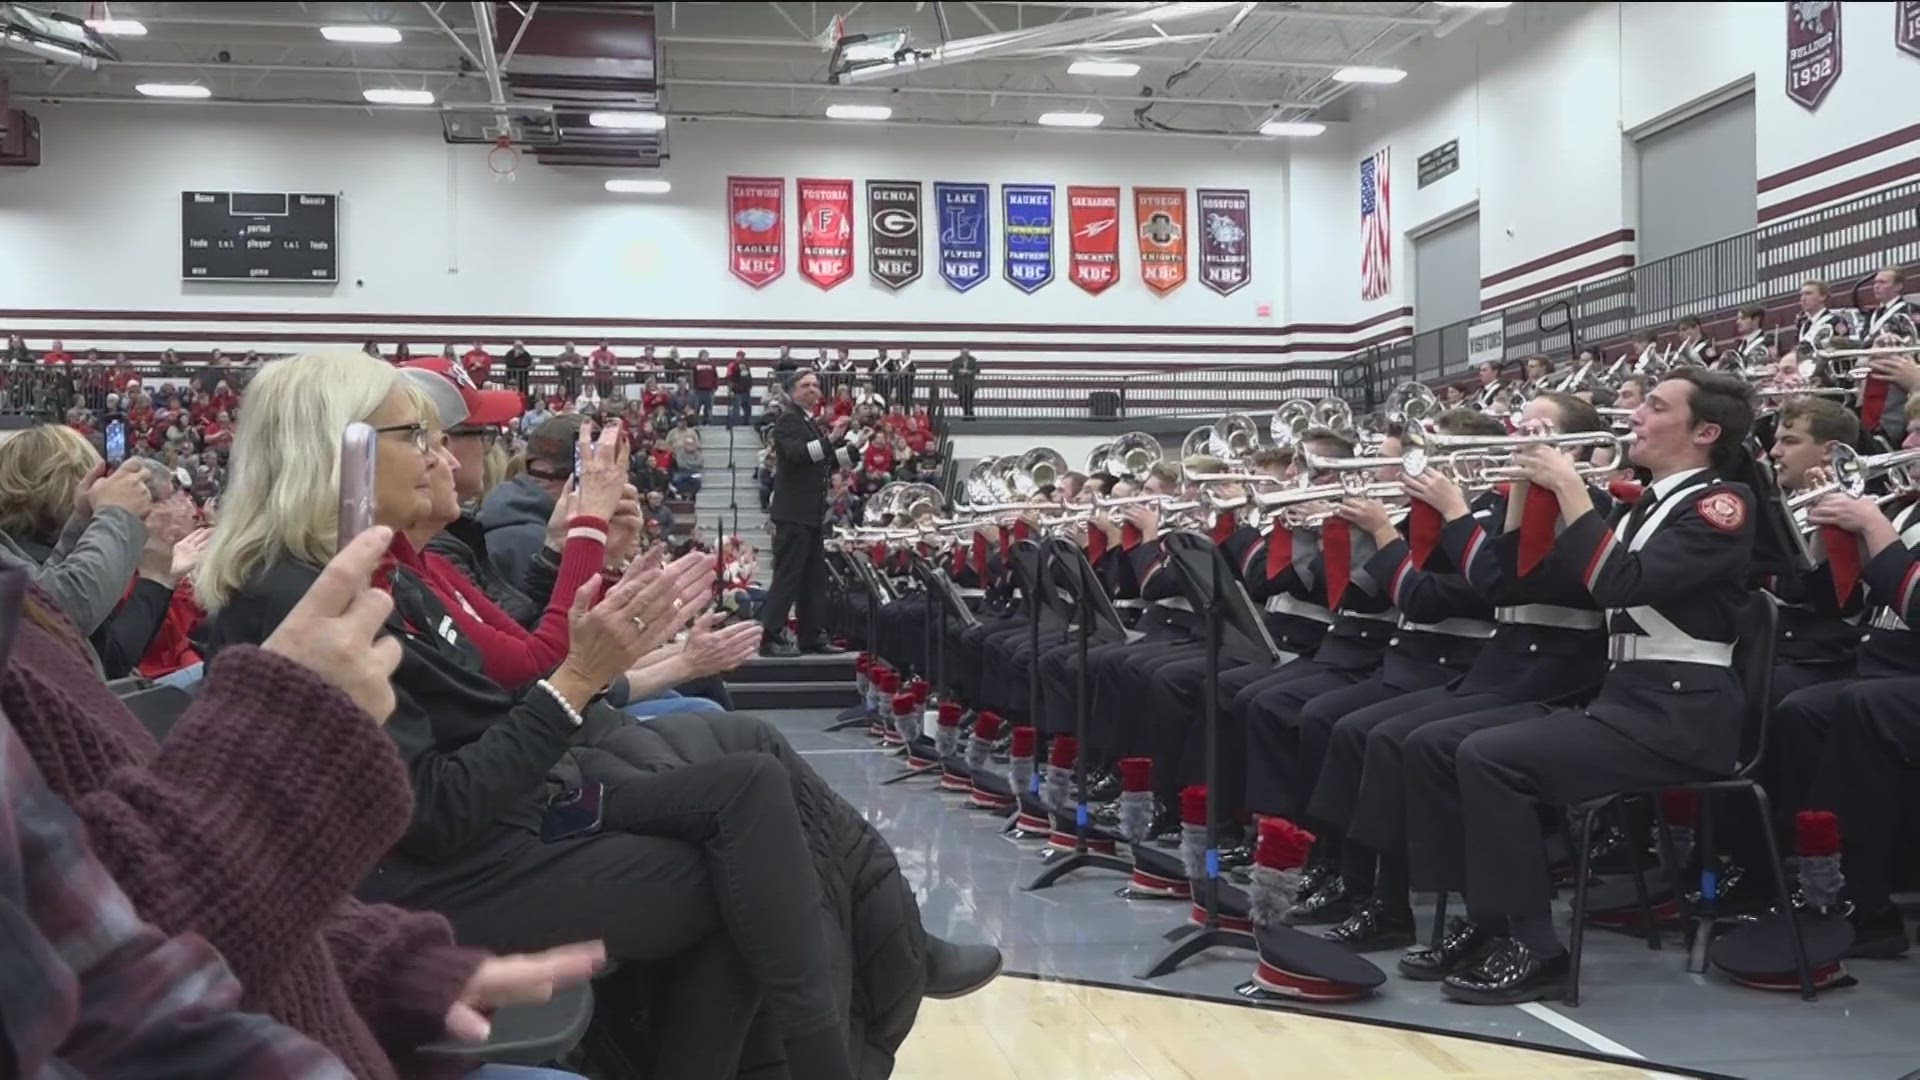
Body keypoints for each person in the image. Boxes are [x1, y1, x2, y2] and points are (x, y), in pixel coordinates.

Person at [1408, 368, 1758, 1005]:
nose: (1635, 417)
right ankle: (1492, 923)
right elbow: (1519, 578)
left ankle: (1536, 946)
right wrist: (1524, 492)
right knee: (1445, 745)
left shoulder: (1721, 504)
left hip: (1682, 713)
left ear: (1705, 432)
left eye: (1654, 407)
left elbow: (1619, 583)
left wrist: (1569, 486)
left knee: (1489, 756)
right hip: (1629, 700)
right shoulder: (1639, 504)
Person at [760, 370, 856, 658]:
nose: (813, 389)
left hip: (810, 513)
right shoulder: (788, 421)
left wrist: (853, 449)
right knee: (788, 576)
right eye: (806, 385)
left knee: (813, 578)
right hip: (793, 512)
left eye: (815, 385)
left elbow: (823, 459)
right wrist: (833, 439)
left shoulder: (808, 423)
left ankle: (811, 635)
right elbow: (799, 455)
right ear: (791, 392)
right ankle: (771, 635)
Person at [949, 348, 979, 419]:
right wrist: (958, 371)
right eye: (963, 353)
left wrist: (969, 372)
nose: (965, 355)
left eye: (966, 353)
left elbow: (977, 370)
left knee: (970, 400)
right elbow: (950, 370)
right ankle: (969, 413)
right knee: (962, 400)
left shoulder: (973, 360)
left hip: (970, 384)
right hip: (960, 385)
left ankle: (968, 414)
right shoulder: (956, 360)